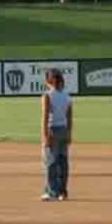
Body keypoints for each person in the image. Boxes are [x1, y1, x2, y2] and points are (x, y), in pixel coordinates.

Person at [40, 68, 73, 201]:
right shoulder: (67, 96)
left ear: (49, 80)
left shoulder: (47, 96)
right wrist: (69, 133)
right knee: (62, 161)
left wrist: (45, 135)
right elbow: (69, 117)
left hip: (52, 130)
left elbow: (45, 116)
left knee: (50, 162)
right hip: (64, 129)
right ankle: (62, 192)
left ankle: (52, 192)